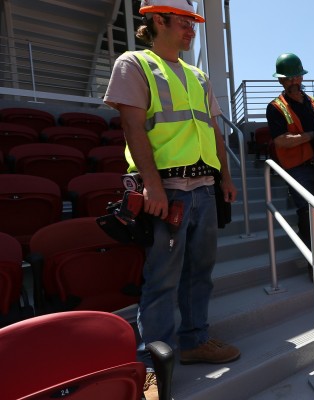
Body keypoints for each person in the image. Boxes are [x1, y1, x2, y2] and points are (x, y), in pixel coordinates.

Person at [103, 0, 240, 397]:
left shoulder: (198, 75)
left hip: (203, 189)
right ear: (158, 20)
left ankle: (194, 341)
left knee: (200, 271)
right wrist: (153, 186)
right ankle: (150, 362)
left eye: (193, 24)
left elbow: (214, 131)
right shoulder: (133, 64)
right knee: (162, 279)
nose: (191, 31)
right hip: (166, 190)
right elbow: (132, 126)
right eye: (184, 23)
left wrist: (225, 176)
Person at [266, 53, 314, 247]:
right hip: (297, 168)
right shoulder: (275, 108)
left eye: (297, 76)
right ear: (281, 80)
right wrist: (313, 135)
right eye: (289, 78)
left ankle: (306, 235)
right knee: (307, 211)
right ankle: (312, 257)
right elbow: (282, 141)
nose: (294, 81)